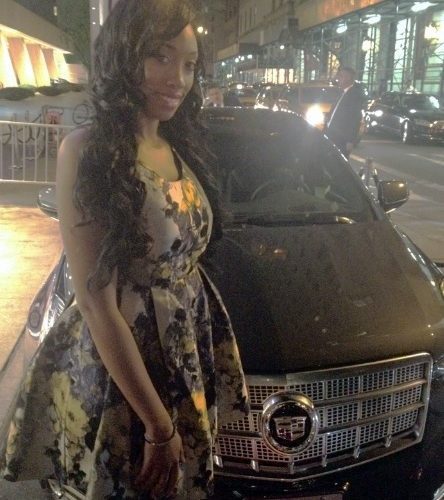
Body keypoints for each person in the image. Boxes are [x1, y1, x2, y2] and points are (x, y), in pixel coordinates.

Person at [0, 1, 249, 499]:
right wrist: (158, 424)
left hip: (182, 354)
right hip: (129, 376)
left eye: (189, 64)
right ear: (123, 55)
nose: (178, 78)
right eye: (160, 57)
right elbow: (96, 301)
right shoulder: (87, 150)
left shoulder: (175, 144)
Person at [325, 67, 364, 159]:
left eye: (341, 76)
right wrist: (328, 118)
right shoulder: (342, 93)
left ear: (348, 78)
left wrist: (350, 140)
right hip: (332, 135)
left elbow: (355, 119)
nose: (338, 78)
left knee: (338, 162)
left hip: (341, 139)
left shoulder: (354, 95)